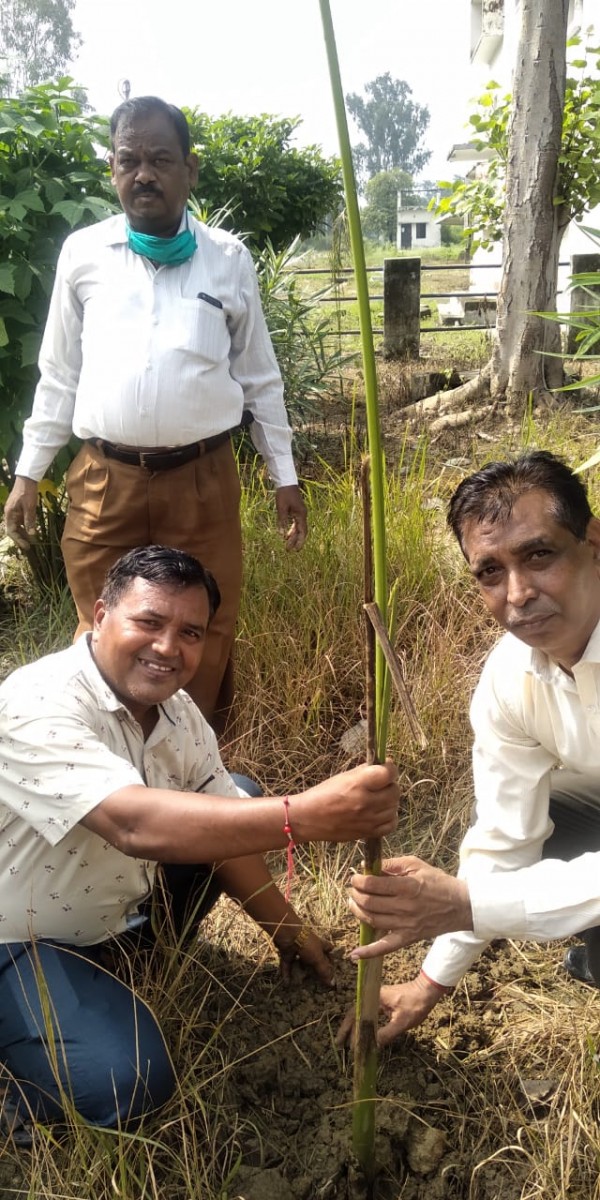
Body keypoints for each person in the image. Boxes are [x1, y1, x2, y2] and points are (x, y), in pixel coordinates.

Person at [0, 544, 399, 1134]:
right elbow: (133, 825)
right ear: (100, 614)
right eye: (149, 622)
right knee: (128, 1083)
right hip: (22, 939)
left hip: (115, 920)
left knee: (236, 796)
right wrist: (305, 816)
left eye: (190, 632)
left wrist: (288, 931)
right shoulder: (36, 702)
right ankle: (20, 1095)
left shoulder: (176, 712)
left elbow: (223, 832)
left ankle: (114, 977)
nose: (168, 648)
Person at [3, 95, 307, 731]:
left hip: (201, 482)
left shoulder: (227, 259)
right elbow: (59, 374)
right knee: (102, 630)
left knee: (201, 629)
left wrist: (284, 475)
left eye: (161, 159)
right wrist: (29, 473)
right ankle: (105, 763)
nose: (144, 174)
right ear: (112, 170)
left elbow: (259, 377)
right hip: (103, 482)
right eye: (129, 160)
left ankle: (196, 771)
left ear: (189, 170)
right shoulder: (83, 255)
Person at [341, 450, 600, 1047]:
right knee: (554, 809)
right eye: (490, 572)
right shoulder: (511, 675)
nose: (518, 594)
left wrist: (468, 904)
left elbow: (474, 896)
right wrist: (429, 983)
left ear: (593, 543)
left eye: (539, 555)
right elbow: (506, 839)